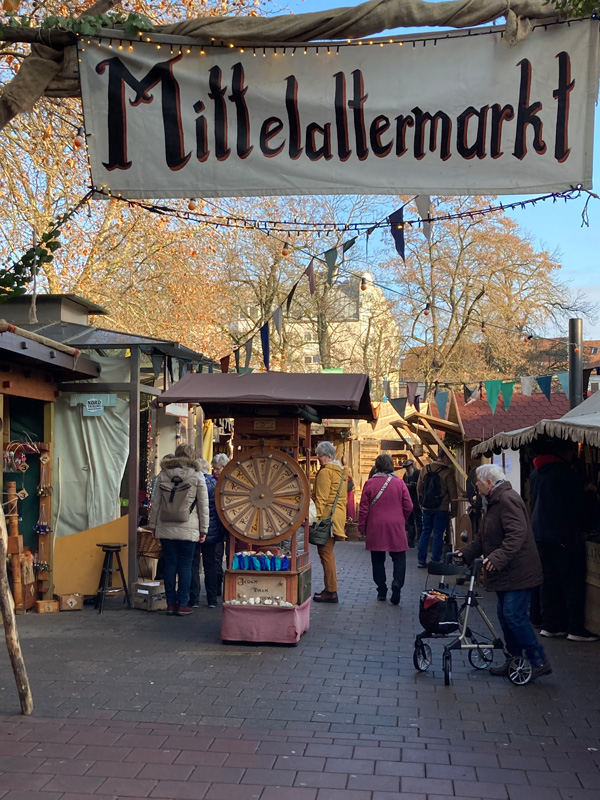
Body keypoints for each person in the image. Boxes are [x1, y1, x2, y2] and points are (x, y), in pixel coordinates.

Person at [457, 464, 551, 681]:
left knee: (513, 616)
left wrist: (497, 557)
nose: (475, 485)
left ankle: (538, 661)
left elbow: (517, 534)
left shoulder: (507, 500)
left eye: (477, 481)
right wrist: (466, 553)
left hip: (519, 571)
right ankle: (514, 660)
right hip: (507, 572)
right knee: (505, 615)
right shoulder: (493, 501)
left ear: (489, 482)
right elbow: (484, 537)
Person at [529, 445, 598, 642]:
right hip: (564, 534)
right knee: (572, 582)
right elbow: (576, 504)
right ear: (564, 453)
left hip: (541, 534)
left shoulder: (536, 473)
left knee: (548, 581)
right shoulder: (565, 474)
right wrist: (589, 493)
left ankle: (550, 625)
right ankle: (575, 627)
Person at [147, 444, 209, 616]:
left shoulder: (163, 474)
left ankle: (170, 604)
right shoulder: (197, 475)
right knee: (185, 565)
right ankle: (183, 604)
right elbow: (203, 506)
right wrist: (204, 529)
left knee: (170, 564)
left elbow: (156, 503)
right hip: (188, 527)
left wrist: (153, 525)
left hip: (165, 526)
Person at [358, 454, 413, 604]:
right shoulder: (399, 483)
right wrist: (401, 518)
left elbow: (363, 508)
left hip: (376, 526)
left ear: (377, 466)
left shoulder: (369, 483)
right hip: (396, 525)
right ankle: (397, 583)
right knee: (399, 557)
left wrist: (361, 526)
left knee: (377, 560)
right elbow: (409, 505)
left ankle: (381, 590)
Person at [312, 441, 346, 603]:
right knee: (327, 553)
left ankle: (331, 591)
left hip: (327, 518)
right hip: (337, 517)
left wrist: (315, 519)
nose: (318, 459)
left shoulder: (326, 472)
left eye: (319, 456)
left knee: (326, 554)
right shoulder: (340, 471)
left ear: (328, 456)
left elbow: (321, 499)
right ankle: (329, 589)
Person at [190, 458, 227, 608]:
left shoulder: (193, 483)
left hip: (194, 528)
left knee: (194, 564)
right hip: (212, 530)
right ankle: (212, 599)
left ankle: (194, 598)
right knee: (210, 564)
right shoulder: (215, 484)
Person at [416, 450, 458, 567]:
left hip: (426, 507)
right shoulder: (448, 472)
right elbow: (453, 494)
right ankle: (435, 560)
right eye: (449, 459)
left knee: (425, 531)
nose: (450, 462)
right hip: (441, 508)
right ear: (444, 457)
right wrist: (454, 511)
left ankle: (421, 560)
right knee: (438, 534)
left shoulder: (425, 469)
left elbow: (419, 488)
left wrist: (421, 504)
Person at [211, 453, 231, 594]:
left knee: (229, 553)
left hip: (229, 523)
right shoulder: (213, 482)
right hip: (217, 523)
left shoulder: (230, 481)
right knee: (216, 555)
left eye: (217, 468)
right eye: (214, 468)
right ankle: (217, 584)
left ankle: (229, 585)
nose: (215, 471)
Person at [402, 460, 422, 548]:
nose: (407, 469)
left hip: (417, 500)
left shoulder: (418, 473)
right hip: (409, 500)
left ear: (412, 466)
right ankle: (411, 540)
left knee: (418, 521)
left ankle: (420, 540)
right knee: (410, 521)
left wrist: (413, 485)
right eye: (405, 467)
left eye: (408, 467)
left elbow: (421, 485)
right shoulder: (405, 475)